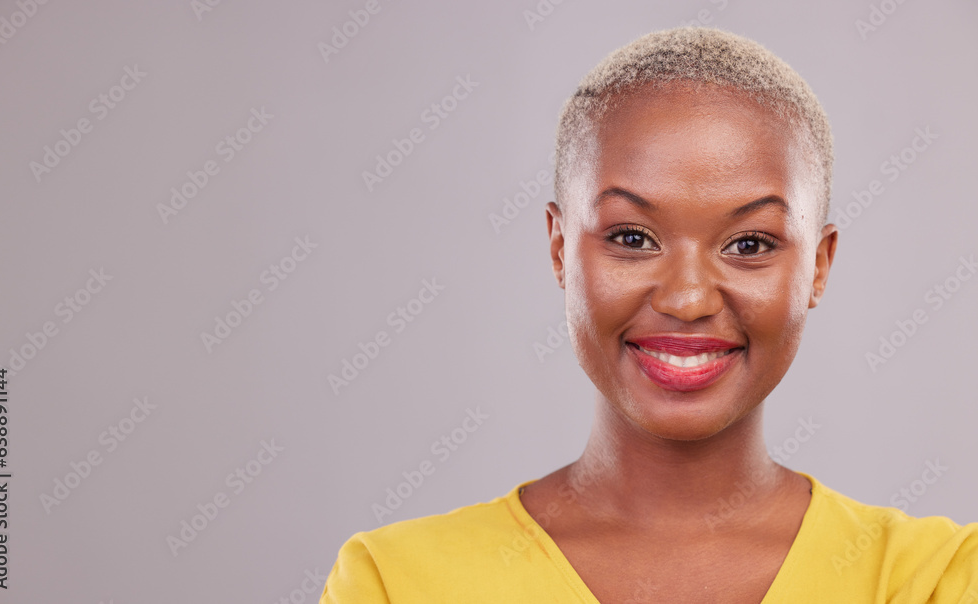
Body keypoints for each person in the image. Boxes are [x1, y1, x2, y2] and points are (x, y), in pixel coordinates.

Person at [320, 26, 978, 603]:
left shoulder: (937, 580)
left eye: (749, 244)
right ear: (558, 249)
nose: (687, 299)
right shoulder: (399, 583)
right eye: (632, 238)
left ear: (819, 266)